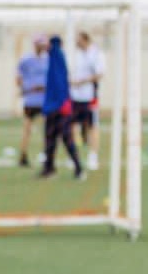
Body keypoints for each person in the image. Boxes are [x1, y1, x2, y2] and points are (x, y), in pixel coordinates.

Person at [38, 35, 83, 180]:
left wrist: (64, 102)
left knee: (65, 138)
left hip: (60, 107)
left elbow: (60, 83)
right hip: (54, 107)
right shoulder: (53, 58)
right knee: (50, 139)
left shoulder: (57, 57)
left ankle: (78, 168)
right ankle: (49, 168)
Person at [70, 31, 105, 170]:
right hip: (75, 96)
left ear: (85, 39)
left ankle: (93, 156)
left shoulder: (96, 54)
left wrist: (83, 81)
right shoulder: (76, 55)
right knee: (73, 126)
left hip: (90, 96)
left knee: (92, 126)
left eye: (78, 40)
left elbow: (100, 74)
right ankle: (74, 156)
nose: (76, 43)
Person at [16, 33, 49, 167]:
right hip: (31, 100)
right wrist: (25, 88)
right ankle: (23, 155)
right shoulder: (26, 60)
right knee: (27, 129)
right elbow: (18, 76)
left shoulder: (48, 59)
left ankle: (46, 154)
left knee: (46, 129)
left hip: (45, 100)